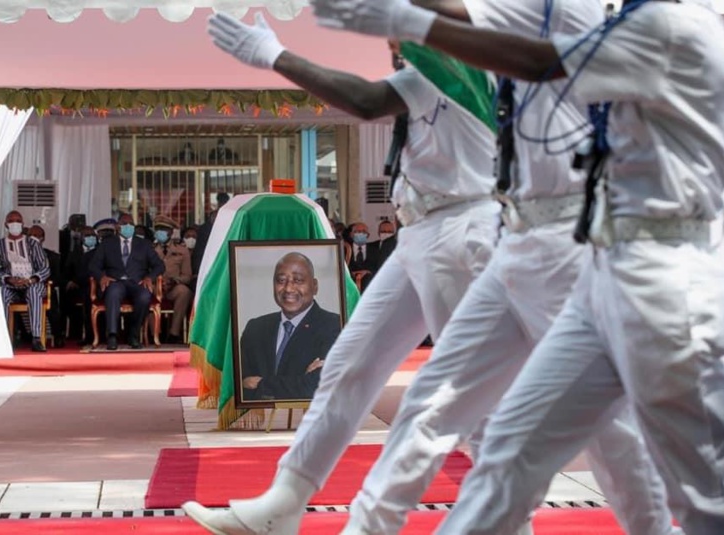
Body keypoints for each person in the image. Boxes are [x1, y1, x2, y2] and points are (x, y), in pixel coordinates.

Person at [313, 0, 724, 533]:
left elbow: (540, 61)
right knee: (508, 454)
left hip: (665, 275)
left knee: (707, 493)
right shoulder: (631, 23)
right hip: (603, 266)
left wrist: (413, 22)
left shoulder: (670, 26)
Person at [183, 10, 504, 534]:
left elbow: (366, 99)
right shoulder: (432, 68)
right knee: (347, 364)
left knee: (465, 391)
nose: (393, 40)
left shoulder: (460, 62)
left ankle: (502, 519)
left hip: (465, 229)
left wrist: (273, 55)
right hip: (423, 229)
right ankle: (284, 503)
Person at [239, 252, 342, 401]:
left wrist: (260, 383)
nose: (288, 288)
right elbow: (239, 384)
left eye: (298, 280)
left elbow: (316, 386)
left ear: (314, 286)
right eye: (281, 280)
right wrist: (299, 378)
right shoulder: (255, 327)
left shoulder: (334, 325)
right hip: (266, 421)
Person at [89, 213, 165, 350]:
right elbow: (93, 266)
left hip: (137, 282)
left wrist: (150, 277)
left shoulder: (144, 244)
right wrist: (102, 277)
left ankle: (134, 334)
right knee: (113, 293)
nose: (128, 226)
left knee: (145, 296)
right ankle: (112, 335)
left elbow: (159, 266)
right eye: (125, 223)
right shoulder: (107, 243)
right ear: (118, 226)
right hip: (115, 281)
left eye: (131, 224)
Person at [0, 210, 50, 353]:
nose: (15, 223)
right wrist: (8, 279)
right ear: (6, 224)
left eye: (18, 220)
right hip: (11, 286)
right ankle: (4, 338)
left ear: (23, 224)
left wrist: (31, 279)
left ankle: (36, 338)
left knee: (34, 292)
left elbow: (45, 268)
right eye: (11, 220)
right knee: (2, 293)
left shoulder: (32, 244)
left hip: (32, 284)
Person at [152, 215, 193, 344]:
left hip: (172, 287)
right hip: (154, 286)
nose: (160, 232)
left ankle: (174, 333)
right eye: (158, 229)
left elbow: (187, 276)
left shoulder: (182, 250)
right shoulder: (148, 248)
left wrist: (175, 281)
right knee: (143, 291)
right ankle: (154, 333)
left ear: (170, 232)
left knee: (184, 291)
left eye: (164, 229)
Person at [27, 225, 64, 348]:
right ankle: (23, 335)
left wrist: (43, 281)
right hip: (24, 289)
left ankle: (58, 335)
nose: (34, 238)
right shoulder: (22, 255)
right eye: (31, 235)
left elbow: (57, 278)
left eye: (37, 236)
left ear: (43, 239)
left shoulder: (53, 256)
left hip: (44, 288)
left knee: (52, 303)